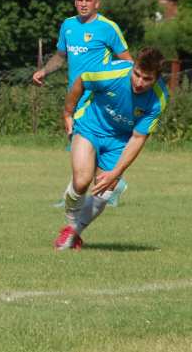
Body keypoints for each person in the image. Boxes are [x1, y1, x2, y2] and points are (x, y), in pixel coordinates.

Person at [54, 48, 168, 250]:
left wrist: (116, 173)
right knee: (81, 182)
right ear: (133, 67)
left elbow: (138, 138)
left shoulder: (158, 99)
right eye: (137, 74)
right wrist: (67, 113)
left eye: (147, 79)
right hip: (90, 126)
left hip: (120, 141)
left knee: (105, 191)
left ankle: (73, 233)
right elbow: (81, 80)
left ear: (157, 78)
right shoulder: (111, 73)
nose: (139, 82)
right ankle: (71, 227)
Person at [33, 0, 133, 207]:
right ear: (75, 2)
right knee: (82, 146)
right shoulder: (68, 26)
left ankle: (77, 195)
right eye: (79, 0)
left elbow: (128, 62)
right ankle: (112, 185)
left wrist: (120, 92)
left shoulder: (108, 28)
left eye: (88, 0)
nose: (83, 4)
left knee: (83, 144)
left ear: (97, 3)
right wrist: (44, 71)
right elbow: (60, 57)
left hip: (99, 99)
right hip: (75, 96)